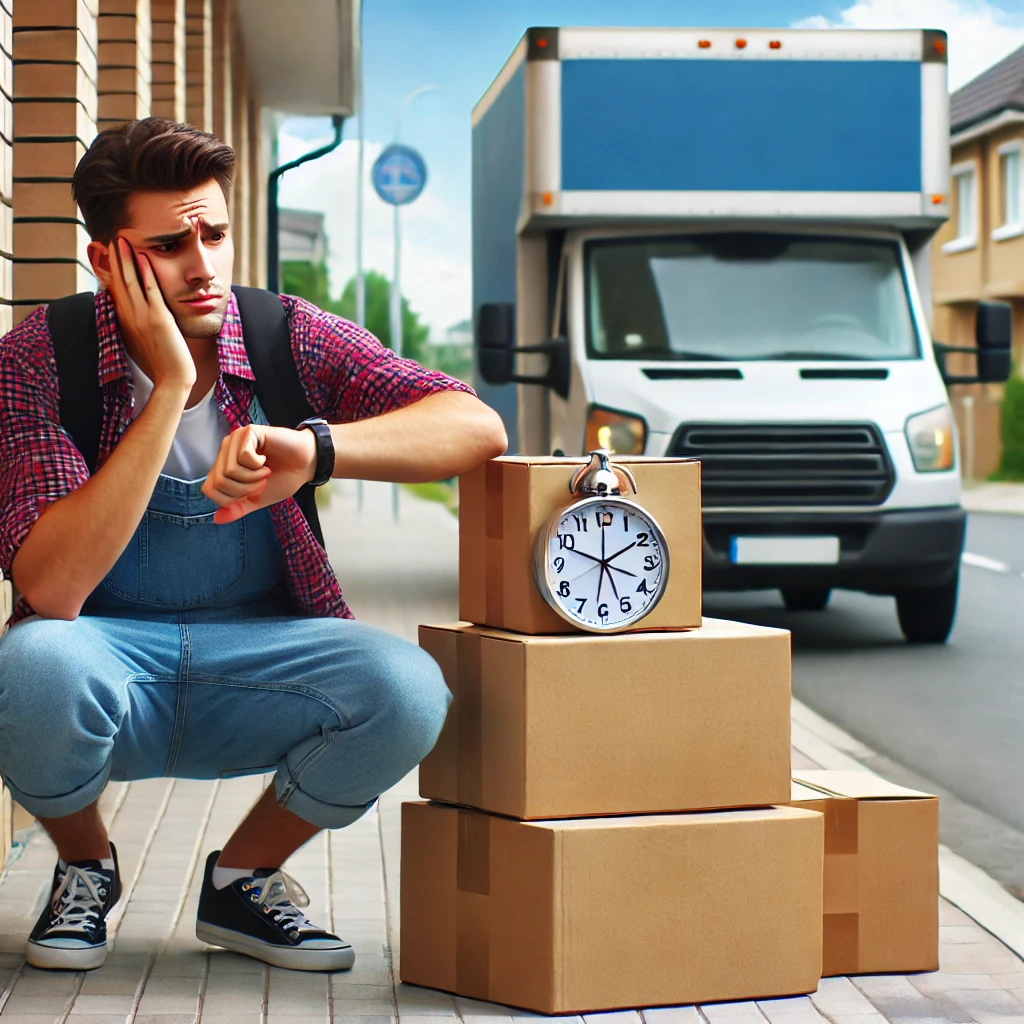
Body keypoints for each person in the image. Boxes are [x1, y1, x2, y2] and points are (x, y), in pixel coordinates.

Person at [0, 117, 506, 973]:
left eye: (216, 233)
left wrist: (315, 449)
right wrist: (166, 391)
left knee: (409, 687)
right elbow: (52, 590)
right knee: (32, 665)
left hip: (264, 657)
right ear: (107, 260)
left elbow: (473, 422)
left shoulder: (283, 334)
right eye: (168, 244)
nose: (202, 265)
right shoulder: (39, 359)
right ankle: (87, 866)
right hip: (106, 661)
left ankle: (243, 879)